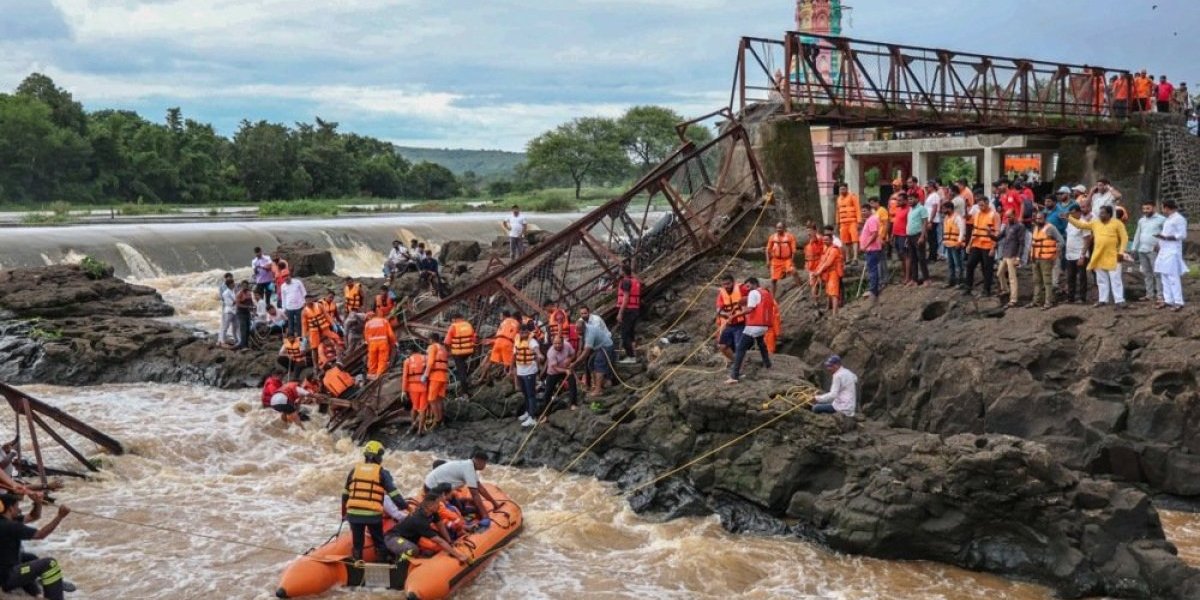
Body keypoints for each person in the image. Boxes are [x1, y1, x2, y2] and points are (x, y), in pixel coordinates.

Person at [342, 441, 405, 563]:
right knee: (379, 540)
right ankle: (382, 562)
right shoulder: (381, 472)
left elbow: (345, 495)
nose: (381, 459)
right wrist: (404, 506)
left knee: (357, 542)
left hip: (354, 514)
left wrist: (344, 514)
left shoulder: (354, 470)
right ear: (376, 457)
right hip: (372, 515)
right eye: (380, 456)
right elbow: (393, 493)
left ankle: (357, 562)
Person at [0, 493, 70, 600]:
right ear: (10, 508)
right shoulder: (11, 526)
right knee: (50, 564)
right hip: (7, 577)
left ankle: (36, 593)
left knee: (30, 558)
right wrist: (60, 516)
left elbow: (34, 516)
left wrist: (37, 503)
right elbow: (41, 535)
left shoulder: (7, 521)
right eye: (17, 506)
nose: (19, 510)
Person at [1067, 206, 1130, 307]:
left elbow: (1124, 238)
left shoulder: (1117, 223)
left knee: (1115, 279)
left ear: (1109, 214)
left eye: (1103, 213)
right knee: (1101, 280)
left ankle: (1119, 300)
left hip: (1113, 255)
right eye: (1100, 213)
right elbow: (1081, 225)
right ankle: (1102, 300)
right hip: (1099, 255)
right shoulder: (1095, 223)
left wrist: (1121, 252)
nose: (1100, 215)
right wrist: (1069, 218)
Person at [391, 492, 469, 564]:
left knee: (434, 547)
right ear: (430, 506)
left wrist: (450, 542)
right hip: (394, 538)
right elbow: (439, 541)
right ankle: (402, 563)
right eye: (438, 503)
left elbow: (441, 526)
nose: (440, 505)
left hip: (411, 537)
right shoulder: (419, 520)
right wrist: (459, 556)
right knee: (413, 549)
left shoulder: (433, 512)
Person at [423, 453, 502, 518]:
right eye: (484, 463)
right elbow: (475, 494)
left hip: (438, 485)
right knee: (450, 510)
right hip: (432, 488)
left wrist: (495, 504)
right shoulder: (468, 469)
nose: (485, 466)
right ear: (479, 461)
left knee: (460, 506)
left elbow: (480, 488)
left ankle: (462, 510)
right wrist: (485, 516)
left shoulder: (470, 466)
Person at [725, 277, 772, 384]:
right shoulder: (766, 293)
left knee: (740, 348)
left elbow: (750, 309)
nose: (747, 288)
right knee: (761, 343)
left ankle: (734, 376)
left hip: (755, 325)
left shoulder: (753, 293)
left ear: (754, 284)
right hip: (764, 325)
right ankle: (768, 364)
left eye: (748, 286)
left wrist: (734, 316)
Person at [570, 306, 615, 398]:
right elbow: (582, 340)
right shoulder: (582, 325)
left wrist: (575, 363)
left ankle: (598, 390)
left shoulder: (590, 332)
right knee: (590, 363)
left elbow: (586, 352)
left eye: (580, 331)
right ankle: (599, 384)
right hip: (597, 347)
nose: (578, 333)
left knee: (598, 363)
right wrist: (579, 351)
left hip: (605, 346)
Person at [1129, 201, 1166, 304]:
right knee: (1146, 273)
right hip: (1142, 250)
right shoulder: (1142, 220)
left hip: (1154, 250)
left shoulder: (1162, 219)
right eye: (1144, 209)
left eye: (1148, 208)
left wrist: (1161, 244)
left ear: (1154, 208)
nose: (1145, 211)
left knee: (1157, 273)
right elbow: (1137, 234)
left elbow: (1166, 233)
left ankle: (1160, 295)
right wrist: (1133, 248)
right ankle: (1149, 294)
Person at [1154, 200, 1188, 311]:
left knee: (1173, 276)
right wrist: (1159, 243)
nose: (1162, 210)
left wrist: (1167, 238)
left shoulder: (1179, 219)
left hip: (1173, 250)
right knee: (1164, 275)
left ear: (1167, 208)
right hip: (1164, 249)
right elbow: (1165, 232)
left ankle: (1178, 301)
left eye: (1163, 208)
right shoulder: (1168, 219)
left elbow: (1182, 235)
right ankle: (1168, 299)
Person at [962, 197, 999, 296]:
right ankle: (968, 287)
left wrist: (993, 247)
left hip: (988, 245)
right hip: (976, 244)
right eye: (979, 205)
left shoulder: (994, 215)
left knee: (987, 268)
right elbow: (974, 230)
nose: (980, 207)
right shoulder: (977, 214)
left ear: (987, 204)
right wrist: (969, 244)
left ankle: (987, 290)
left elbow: (997, 233)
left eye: (982, 205)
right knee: (970, 264)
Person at [1029, 211, 1064, 309]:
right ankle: (1036, 301)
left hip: (1046, 259)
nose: (1038, 220)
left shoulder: (1051, 228)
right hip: (1035, 258)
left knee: (1047, 281)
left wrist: (1056, 253)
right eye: (1037, 218)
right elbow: (1033, 242)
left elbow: (1061, 241)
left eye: (1040, 218)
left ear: (1045, 218)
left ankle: (1049, 302)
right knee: (1036, 281)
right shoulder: (1035, 228)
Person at [512, 325, 544, 427]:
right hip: (520, 371)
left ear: (528, 332)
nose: (523, 334)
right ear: (519, 332)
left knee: (531, 394)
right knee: (525, 393)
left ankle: (532, 417)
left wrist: (539, 355)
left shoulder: (532, 341)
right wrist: (511, 367)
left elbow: (537, 350)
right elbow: (514, 355)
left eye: (525, 332)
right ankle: (527, 411)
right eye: (521, 332)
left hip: (530, 371)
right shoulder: (517, 340)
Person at [809, 228, 844, 317]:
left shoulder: (834, 250)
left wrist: (818, 272)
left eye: (827, 240)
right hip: (828, 273)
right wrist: (816, 271)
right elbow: (822, 262)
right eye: (824, 240)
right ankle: (831, 309)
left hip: (834, 273)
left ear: (831, 240)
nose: (825, 241)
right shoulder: (826, 249)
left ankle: (835, 314)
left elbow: (828, 263)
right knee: (829, 291)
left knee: (834, 293)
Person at [477, 310, 519, 385]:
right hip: (508, 343)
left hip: (498, 342)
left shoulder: (503, 322)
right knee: (511, 365)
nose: (500, 317)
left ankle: (481, 378)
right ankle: (516, 385)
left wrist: (491, 341)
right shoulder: (517, 323)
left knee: (490, 361)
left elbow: (500, 334)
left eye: (501, 316)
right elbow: (516, 337)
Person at [995, 210, 1026, 307]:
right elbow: (999, 237)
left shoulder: (1020, 226)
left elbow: (1021, 243)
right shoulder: (1007, 226)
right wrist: (989, 234)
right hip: (1005, 253)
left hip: (1013, 254)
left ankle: (1013, 299)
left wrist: (1018, 257)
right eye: (1006, 217)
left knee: (1012, 277)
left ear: (1014, 215)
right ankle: (1005, 289)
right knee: (999, 273)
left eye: (1009, 217)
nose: (1008, 219)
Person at [766, 222, 804, 297]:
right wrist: (768, 261)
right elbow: (768, 250)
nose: (778, 229)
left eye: (780, 228)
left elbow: (793, 251)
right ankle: (772, 297)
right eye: (777, 228)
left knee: (794, 271)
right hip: (776, 260)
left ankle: (800, 289)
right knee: (773, 279)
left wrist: (792, 261)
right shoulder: (772, 237)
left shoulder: (790, 237)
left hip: (787, 259)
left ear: (784, 228)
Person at [1063, 204, 1091, 304]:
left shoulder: (1083, 223)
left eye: (1073, 212)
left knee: (1082, 277)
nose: (1072, 214)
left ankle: (1082, 298)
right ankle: (1071, 297)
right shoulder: (1070, 223)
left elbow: (1087, 240)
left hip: (1080, 253)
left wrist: (1082, 256)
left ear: (1079, 212)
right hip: (1070, 254)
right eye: (1071, 213)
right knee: (1070, 276)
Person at [444, 313, 476, 400]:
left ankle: (465, 394)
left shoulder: (453, 326)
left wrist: (449, 351)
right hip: (469, 352)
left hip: (458, 354)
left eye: (452, 320)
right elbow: (474, 339)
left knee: (461, 373)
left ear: (455, 319)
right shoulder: (468, 325)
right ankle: (468, 383)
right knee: (463, 368)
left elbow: (446, 342)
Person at [543, 335, 578, 411]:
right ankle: (546, 411)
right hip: (553, 372)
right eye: (555, 343)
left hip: (566, 368)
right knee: (548, 390)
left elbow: (573, 354)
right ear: (552, 343)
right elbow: (555, 368)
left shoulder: (567, 345)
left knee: (572, 383)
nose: (557, 345)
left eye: (559, 343)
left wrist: (569, 359)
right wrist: (565, 371)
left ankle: (573, 403)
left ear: (563, 342)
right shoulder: (551, 353)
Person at [614, 264, 642, 364]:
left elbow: (625, 299)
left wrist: (620, 313)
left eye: (620, 270)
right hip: (635, 309)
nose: (619, 272)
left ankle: (631, 356)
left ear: (623, 271)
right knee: (631, 333)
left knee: (624, 334)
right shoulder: (634, 280)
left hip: (628, 310)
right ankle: (634, 355)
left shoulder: (625, 281)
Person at [422, 333, 451, 427]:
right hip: (444, 376)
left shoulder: (432, 347)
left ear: (431, 339)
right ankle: (442, 420)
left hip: (435, 376)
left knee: (431, 399)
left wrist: (425, 375)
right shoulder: (443, 348)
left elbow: (430, 362)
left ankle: (438, 420)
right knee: (439, 399)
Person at [714, 275, 745, 361]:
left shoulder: (741, 289)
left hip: (742, 324)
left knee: (739, 345)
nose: (726, 286)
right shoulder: (722, 293)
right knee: (722, 346)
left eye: (728, 284)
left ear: (733, 282)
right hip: (730, 324)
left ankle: (739, 365)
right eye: (724, 284)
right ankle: (736, 362)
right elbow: (718, 309)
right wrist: (725, 314)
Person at [904, 192, 930, 286]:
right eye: (908, 199)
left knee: (921, 258)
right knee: (913, 258)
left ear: (917, 199)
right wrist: (907, 237)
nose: (909, 201)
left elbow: (925, 223)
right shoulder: (910, 209)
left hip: (918, 235)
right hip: (910, 236)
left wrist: (922, 236)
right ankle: (914, 280)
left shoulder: (921, 208)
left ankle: (926, 279)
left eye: (911, 199)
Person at [364, 310, 396, 380]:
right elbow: (390, 335)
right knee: (382, 361)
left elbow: (366, 338)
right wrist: (393, 343)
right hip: (383, 344)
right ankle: (379, 377)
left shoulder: (367, 324)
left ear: (369, 317)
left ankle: (372, 376)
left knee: (372, 361)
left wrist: (370, 344)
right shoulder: (384, 321)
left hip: (372, 345)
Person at [834, 184, 861, 265]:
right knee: (846, 241)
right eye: (840, 189)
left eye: (843, 189)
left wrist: (859, 221)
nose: (842, 191)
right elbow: (837, 212)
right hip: (843, 223)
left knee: (854, 240)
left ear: (847, 189)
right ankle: (848, 258)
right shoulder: (838, 199)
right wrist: (837, 223)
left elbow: (857, 208)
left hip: (852, 221)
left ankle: (855, 258)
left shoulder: (852, 196)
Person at [801, 223, 827, 303]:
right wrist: (806, 265)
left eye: (810, 231)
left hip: (820, 265)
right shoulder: (808, 243)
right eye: (808, 231)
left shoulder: (820, 239)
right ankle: (816, 302)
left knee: (825, 281)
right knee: (813, 284)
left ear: (815, 231)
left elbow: (824, 251)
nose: (809, 233)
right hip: (811, 266)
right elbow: (806, 256)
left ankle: (828, 301)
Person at [890, 191, 911, 284]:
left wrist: (907, 237)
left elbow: (909, 224)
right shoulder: (898, 209)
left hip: (904, 235)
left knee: (906, 256)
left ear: (905, 201)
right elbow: (896, 222)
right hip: (897, 235)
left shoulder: (909, 210)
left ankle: (908, 277)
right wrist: (892, 234)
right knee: (901, 256)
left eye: (900, 200)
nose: (897, 202)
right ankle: (904, 275)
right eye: (897, 200)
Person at [279, 271, 306, 337]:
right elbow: (283, 298)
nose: (286, 278)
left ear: (290, 275)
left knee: (299, 323)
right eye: (284, 277)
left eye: (287, 276)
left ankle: (300, 337)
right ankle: (291, 337)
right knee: (290, 323)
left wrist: (304, 303)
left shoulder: (298, 282)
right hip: (289, 307)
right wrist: (284, 308)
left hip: (299, 306)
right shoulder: (283, 286)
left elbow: (304, 293)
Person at [923, 180, 943, 261]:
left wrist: (930, 221)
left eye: (927, 187)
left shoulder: (935, 195)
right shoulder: (930, 195)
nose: (926, 189)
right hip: (929, 219)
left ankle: (933, 256)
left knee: (932, 239)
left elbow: (934, 208)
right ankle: (932, 255)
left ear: (932, 187)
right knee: (930, 239)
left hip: (933, 220)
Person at [233, 281, 255, 350]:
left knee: (248, 328)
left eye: (246, 285)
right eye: (244, 285)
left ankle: (246, 344)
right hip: (240, 313)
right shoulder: (239, 294)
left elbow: (251, 302)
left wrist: (253, 309)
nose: (245, 287)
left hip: (247, 313)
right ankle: (243, 346)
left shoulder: (249, 293)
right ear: (241, 286)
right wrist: (247, 307)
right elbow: (238, 304)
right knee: (243, 329)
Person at [218, 272, 238, 347]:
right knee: (225, 326)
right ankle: (222, 341)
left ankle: (236, 340)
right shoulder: (225, 292)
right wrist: (238, 301)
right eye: (233, 283)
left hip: (234, 310)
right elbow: (229, 302)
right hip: (228, 310)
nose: (234, 284)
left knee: (235, 326)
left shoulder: (233, 290)